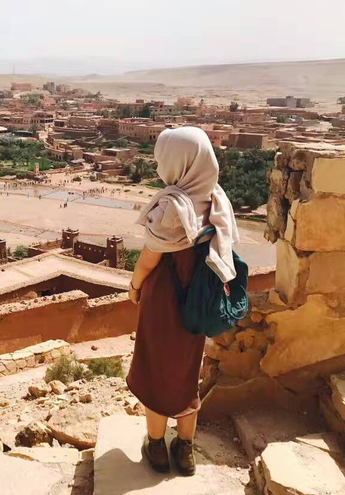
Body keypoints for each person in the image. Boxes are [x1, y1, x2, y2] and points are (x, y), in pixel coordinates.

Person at [126, 127, 239, 476]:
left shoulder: (173, 207)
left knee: (155, 370)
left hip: (164, 302)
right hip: (199, 302)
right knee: (188, 371)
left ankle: (157, 448)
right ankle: (185, 450)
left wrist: (134, 285)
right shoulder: (216, 200)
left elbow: (149, 258)